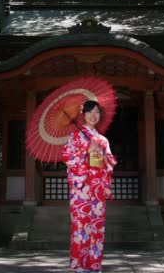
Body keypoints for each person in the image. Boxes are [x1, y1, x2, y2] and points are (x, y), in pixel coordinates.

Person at [62, 100, 117, 273]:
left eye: (97, 112)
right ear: (83, 114)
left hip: (98, 187)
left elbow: (109, 164)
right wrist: (86, 150)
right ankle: (80, 265)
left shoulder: (103, 139)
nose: (94, 115)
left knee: (97, 226)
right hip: (82, 188)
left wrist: (103, 158)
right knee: (80, 225)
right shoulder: (76, 136)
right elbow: (67, 157)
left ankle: (94, 264)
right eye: (90, 112)